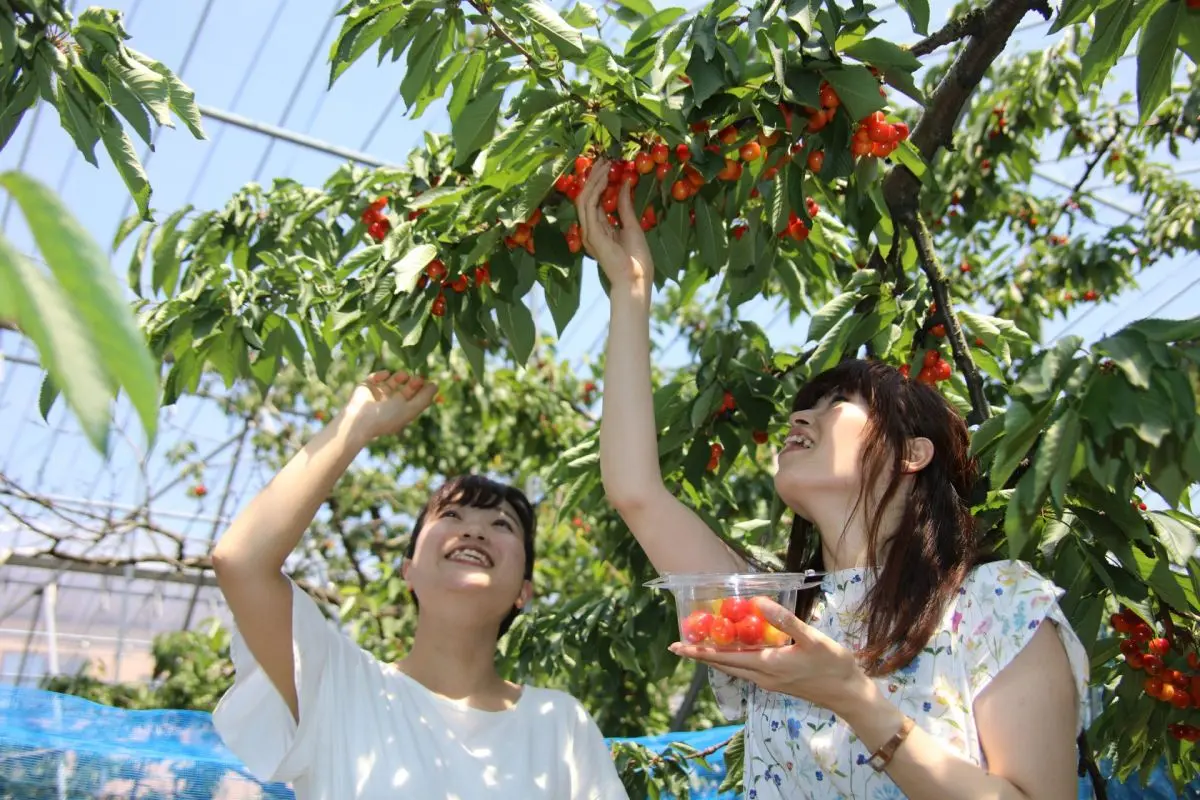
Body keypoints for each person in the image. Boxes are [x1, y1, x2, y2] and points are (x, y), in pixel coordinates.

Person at [576, 161, 1089, 799]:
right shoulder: (779, 614)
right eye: (806, 402)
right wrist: (630, 290)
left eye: (835, 403)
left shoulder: (996, 607)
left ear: (912, 454)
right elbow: (636, 492)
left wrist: (851, 696)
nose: (799, 415)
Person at [209, 370, 629, 800]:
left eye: (501, 524)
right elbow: (241, 561)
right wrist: (357, 424)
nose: (475, 532)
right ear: (407, 569)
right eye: (451, 517)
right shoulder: (342, 687)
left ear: (524, 591)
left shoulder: (559, 724)